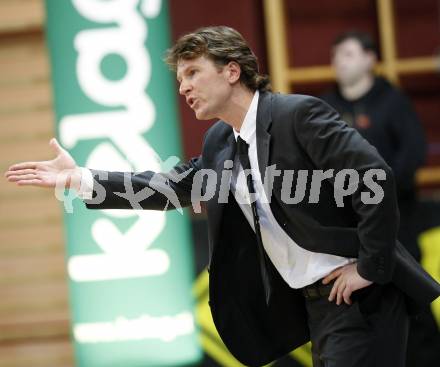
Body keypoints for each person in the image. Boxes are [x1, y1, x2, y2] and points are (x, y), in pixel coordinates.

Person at [5, 26, 440, 367]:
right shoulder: (220, 141)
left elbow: (376, 178)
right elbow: (171, 188)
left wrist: (370, 265)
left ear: (232, 70)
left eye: (193, 72)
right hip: (316, 305)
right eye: (180, 78)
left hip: (362, 298)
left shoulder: (297, 115)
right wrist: (80, 178)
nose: (184, 87)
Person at [321, 30, 440, 367]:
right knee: (357, 307)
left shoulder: (392, 100)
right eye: (335, 55)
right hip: (348, 227)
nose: (339, 62)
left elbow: (413, 154)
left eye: (347, 54)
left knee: (409, 301)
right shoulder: (327, 106)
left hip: (397, 220)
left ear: (370, 59)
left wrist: (378, 194)